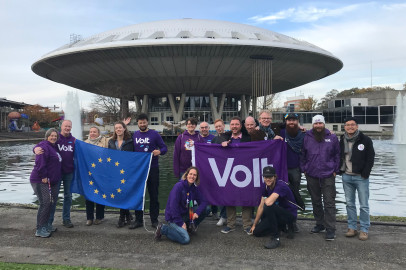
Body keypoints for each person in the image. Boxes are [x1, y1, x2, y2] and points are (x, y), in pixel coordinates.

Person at [301, 115, 340, 241]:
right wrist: (304, 169)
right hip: (311, 174)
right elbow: (303, 154)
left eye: (320, 123)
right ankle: (320, 224)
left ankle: (330, 229)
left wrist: (335, 170)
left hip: (328, 174)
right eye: (316, 124)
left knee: (329, 202)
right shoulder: (307, 137)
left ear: (324, 124)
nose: (318, 126)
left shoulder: (332, 137)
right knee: (315, 201)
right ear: (313, 124)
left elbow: (337, 155)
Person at [34, 119, 76, 229]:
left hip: (68, 172)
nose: (67, 128)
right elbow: (42, 145)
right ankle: (49, 222)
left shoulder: (74, 140)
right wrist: (35, 149)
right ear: (61, 126)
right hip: (55, 173)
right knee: (53, 199)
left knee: (68, 196)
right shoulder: (55, 138)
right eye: (65, 126)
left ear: (71, 128)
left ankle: (66, 219)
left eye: (69, 126)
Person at [339, 117, 375, 241]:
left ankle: (364, 229)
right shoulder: (342, 139)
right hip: (347, 176)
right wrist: (340, 171)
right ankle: (352, 227)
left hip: (361, 177)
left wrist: (365, 173)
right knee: (349, 204)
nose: (350, 127)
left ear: (357, 126)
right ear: (344, 127)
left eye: (352, 125)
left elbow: (371, 158)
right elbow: (340, 156)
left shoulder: (365, 140)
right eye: (348, 125)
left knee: (364, 205)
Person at [130, 113, 168, 229]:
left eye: (144, 122)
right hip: (139, 170)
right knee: (139, 195)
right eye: (140, 123)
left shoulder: (154, 134)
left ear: (147, 122)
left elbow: (164, 148)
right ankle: (138, 220)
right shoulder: (134, 135)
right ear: (138, 124)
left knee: (154, 195)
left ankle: (154, 220)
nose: (142, 124)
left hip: (153, 168)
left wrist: (159, 152)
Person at [154, 167, 207, 244]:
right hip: (173, 217)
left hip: (185, 214)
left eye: (194, 175)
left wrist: (197, 213)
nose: (192, 176)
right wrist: (180, 223)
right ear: (186, 175)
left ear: (196, 177)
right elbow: (173, 207)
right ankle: (163, 229)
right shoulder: (178, 187)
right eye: (190, 174)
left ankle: (190, 226)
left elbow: (204, 201)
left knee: (206, 209)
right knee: (185, 239)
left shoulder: (194, 189)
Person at [219, 116, 252, 234]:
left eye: (236, 124)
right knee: (230, 199)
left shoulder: (248, 139)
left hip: (246, 172)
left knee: (246, 199)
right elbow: (215, 144)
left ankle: (247, 225)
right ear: (230, 126)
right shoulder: (225, 138)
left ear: (240, 126)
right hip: (229, 172)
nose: (234, 126)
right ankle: (230, 224)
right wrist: (221, 143)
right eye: (232, 124)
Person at [250, 166, 297, 249]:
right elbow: (260, 206)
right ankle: (280, 226)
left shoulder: (281, 185)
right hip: (277, 213)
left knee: (268, 206)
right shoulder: (265, 186)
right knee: (257, 232)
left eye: (270, 177)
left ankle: (276, 238)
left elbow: (268, 202)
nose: (268, 179)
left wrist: (264, 199)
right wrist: (254, 225)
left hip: (289, 214)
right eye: (266, 177)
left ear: (275, 177)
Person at [30, 128, 62, 237]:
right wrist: (43, 175)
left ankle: (47, 225)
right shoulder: (43, 146)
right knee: (45, 203)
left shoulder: (54, 147)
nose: (53, 137)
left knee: (51, 203)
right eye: (51, 135)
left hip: (52, 181)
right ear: (47, 136)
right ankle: (39, 228)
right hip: (40, 180)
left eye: (55, 136)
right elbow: (40, 162)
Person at [279, 113, 305, 232]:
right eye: (289, 120)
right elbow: (265, 125)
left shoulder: (303, 134)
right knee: (280, 196)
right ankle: (282, 222)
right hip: (281, 169)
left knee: (294, 197)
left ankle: (293, 222)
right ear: (285, 122)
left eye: (294, 120)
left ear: (297, 121)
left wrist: (329, 132)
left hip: (295, 169)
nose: (291, 122)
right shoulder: (280, 132)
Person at [108, 121, 135, 228]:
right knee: (119, 193)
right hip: (116, 171)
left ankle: (121, 218)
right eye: (116, 128)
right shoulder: (111, 142)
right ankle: (127, 215)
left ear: (124, 129)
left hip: (127, 171)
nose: (118, 130)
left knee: (125, 193)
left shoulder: (130, 141)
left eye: (120, 127)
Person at [84, 126, 109, 226]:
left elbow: (116, 138)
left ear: (99, 133)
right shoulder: (85, 143)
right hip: (89, 173)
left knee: (100, 194)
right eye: (91, 132)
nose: (92, 133)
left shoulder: (105, 141)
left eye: (94, 132)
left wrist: (124, 125)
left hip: (101, 172)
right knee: (89, 195)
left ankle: (99, 217)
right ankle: (89, 218)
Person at [211, 119, 228, 226]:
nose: (218, 128)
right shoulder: (214, 140)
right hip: (219, 170)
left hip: (232, 167)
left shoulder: (230, 137)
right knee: (221, 194)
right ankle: (223, 216)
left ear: (224, 126)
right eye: (216, 126)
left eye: (220, 126)